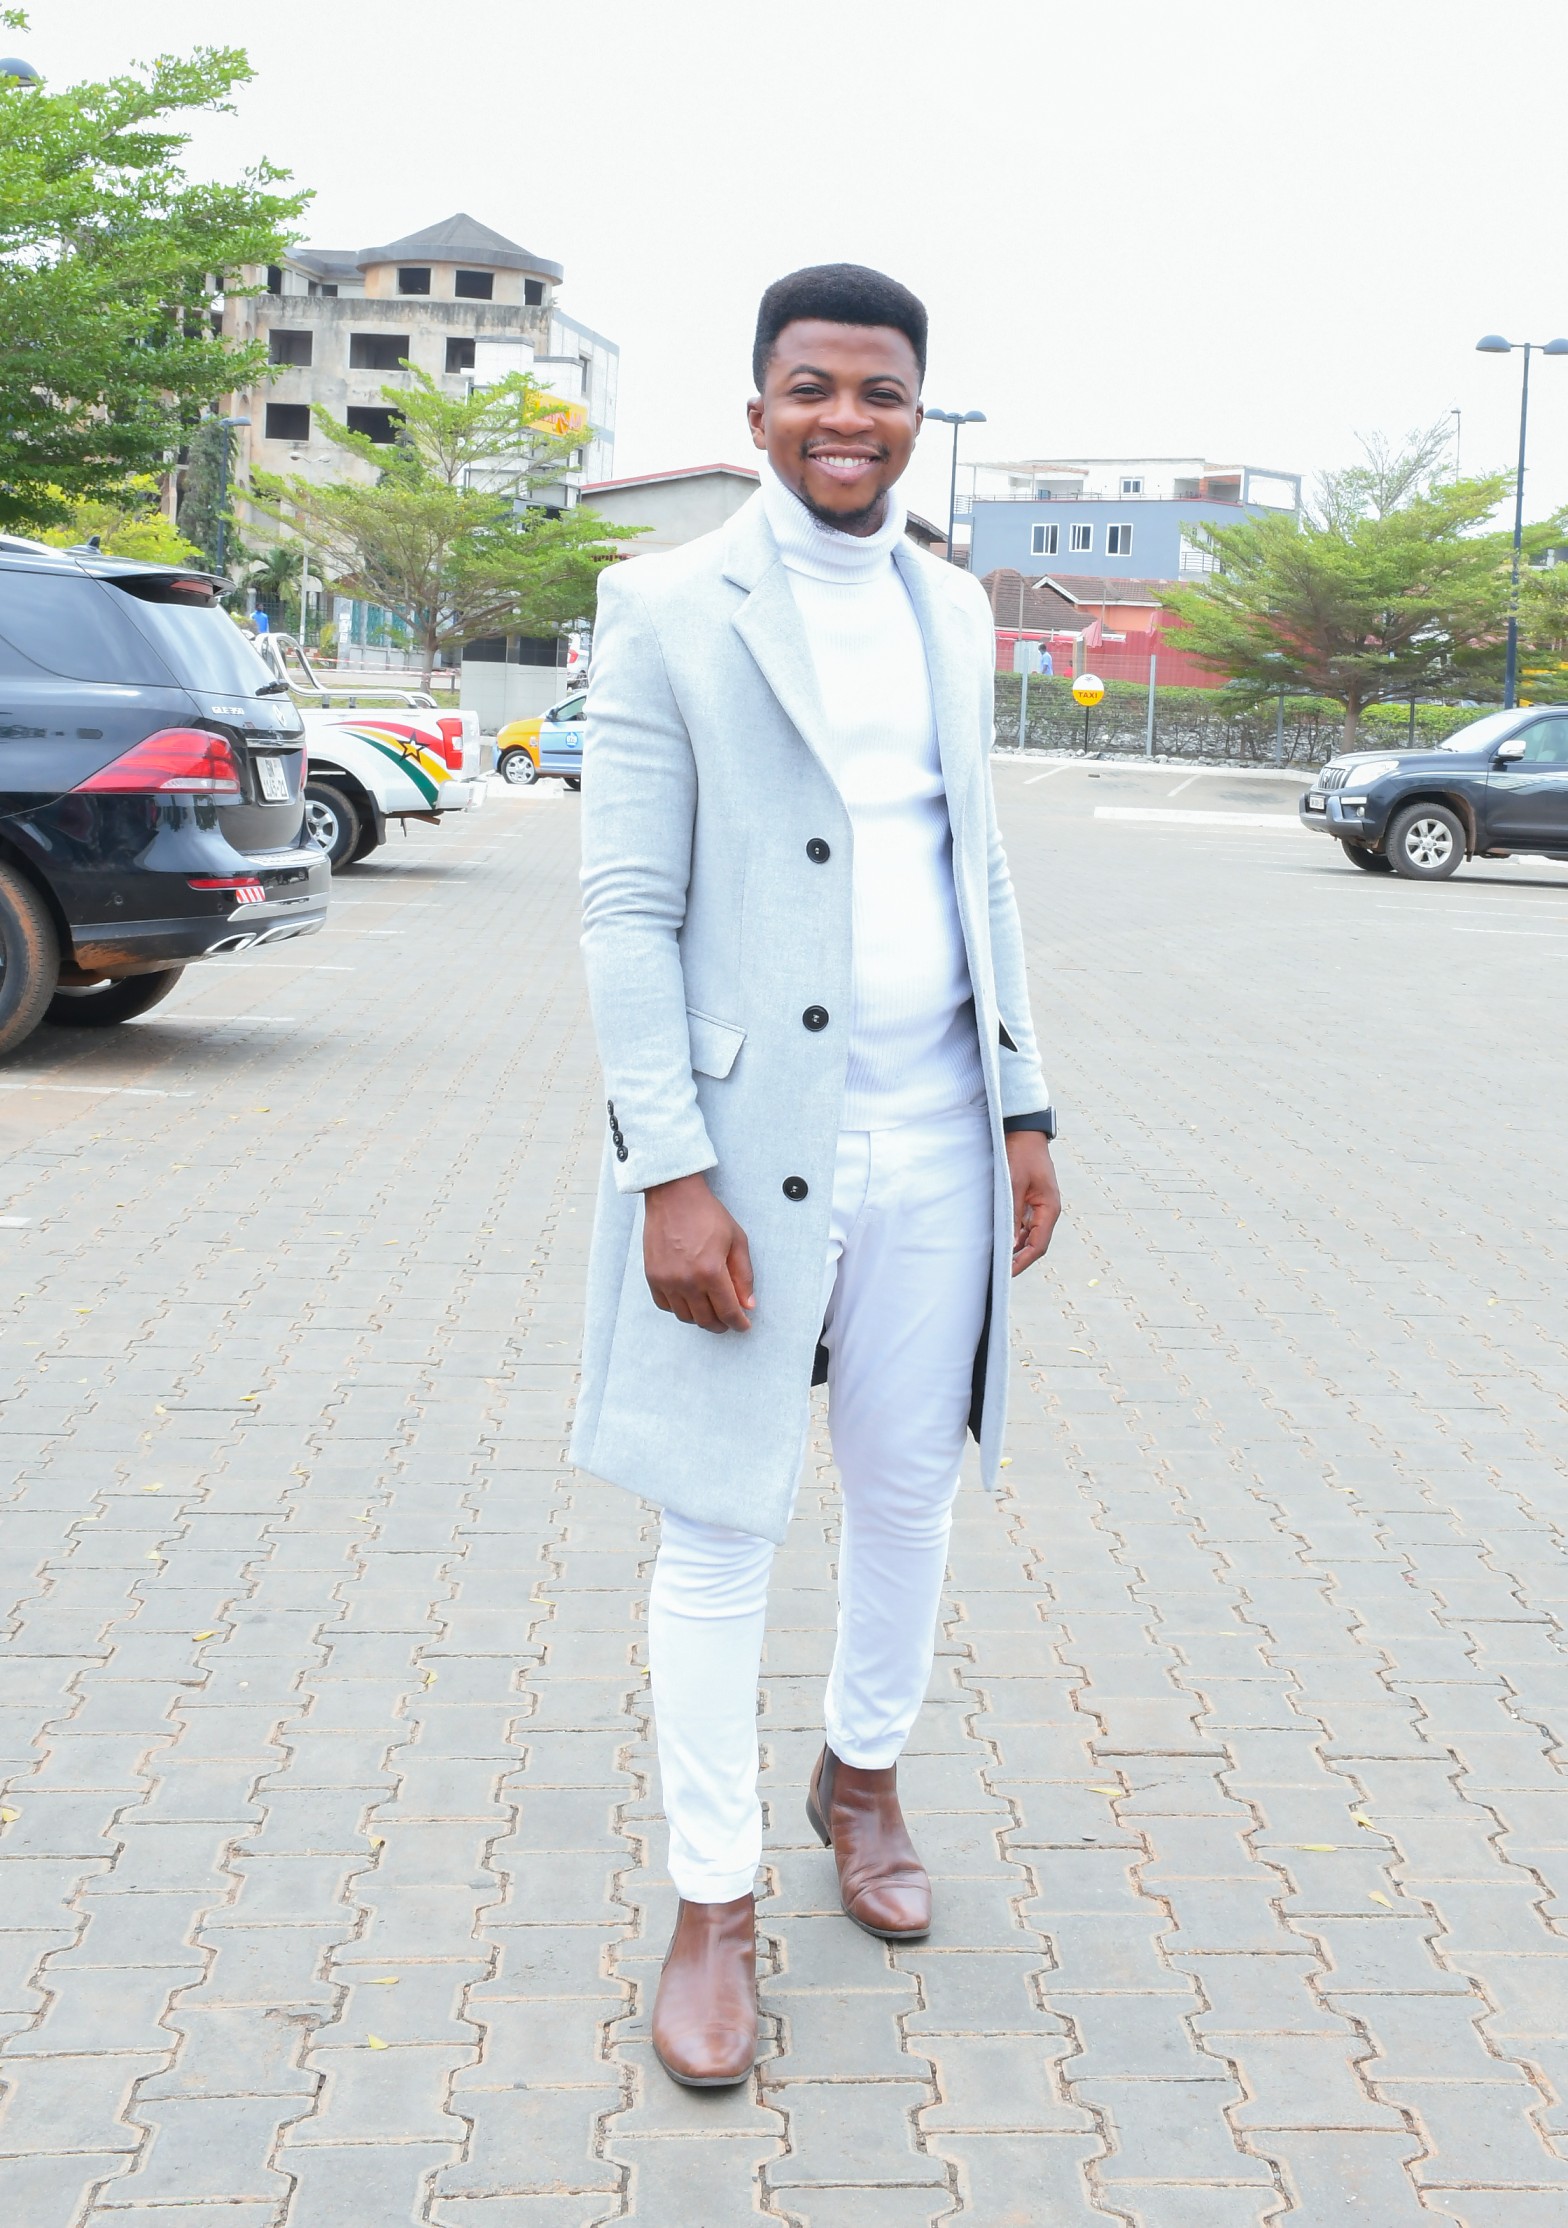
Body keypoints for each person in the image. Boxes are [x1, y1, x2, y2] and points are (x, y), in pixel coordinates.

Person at [574, 264, 1059, 2088]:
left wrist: (1026, 1106)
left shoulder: (955, 607)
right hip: (750, 1145)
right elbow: (626, 909)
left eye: (880, 391)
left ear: (917, 409)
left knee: (908, 1488)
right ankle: (711, 1903)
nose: (847, 420)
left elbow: (979, 867)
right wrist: (667, 1170)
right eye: (812, 388)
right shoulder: (667, 604)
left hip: (940, 1126)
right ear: (757, 407)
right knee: (721, 1519)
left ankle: (861, 1779)